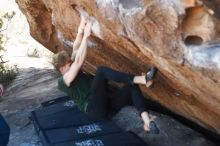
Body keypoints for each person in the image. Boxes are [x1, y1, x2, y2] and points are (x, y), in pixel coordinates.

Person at [53, 16, 159, 133]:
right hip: (94, 109)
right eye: (69, 64)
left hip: (107, 106)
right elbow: (78, 62)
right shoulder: (63, 81)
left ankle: (147, 121)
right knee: (101, 71)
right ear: (62, 68)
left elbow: (76, 47)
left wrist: (81, 28)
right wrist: (87, 37)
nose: (71, 64)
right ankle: (143, 79)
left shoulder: (70, 68)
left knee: (131, 88)